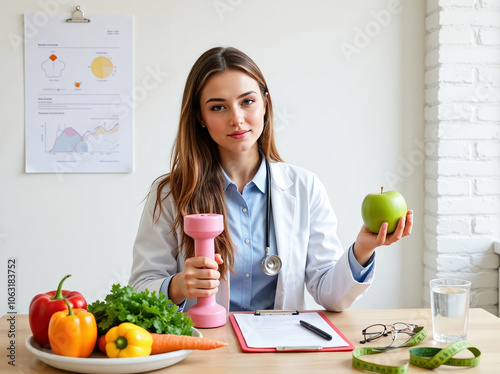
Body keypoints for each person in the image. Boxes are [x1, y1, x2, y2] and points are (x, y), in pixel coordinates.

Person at [128, 46, 413, 312]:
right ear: (200, 116)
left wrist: (363, 248)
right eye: (218, 107)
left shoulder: (305, 187)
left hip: (277, 351)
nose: (236, 119)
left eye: (247, 102)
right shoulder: (170, 193)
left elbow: (330, 295)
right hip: (204, 347)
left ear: (265, 103)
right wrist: (176, 286)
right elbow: (140, 289)